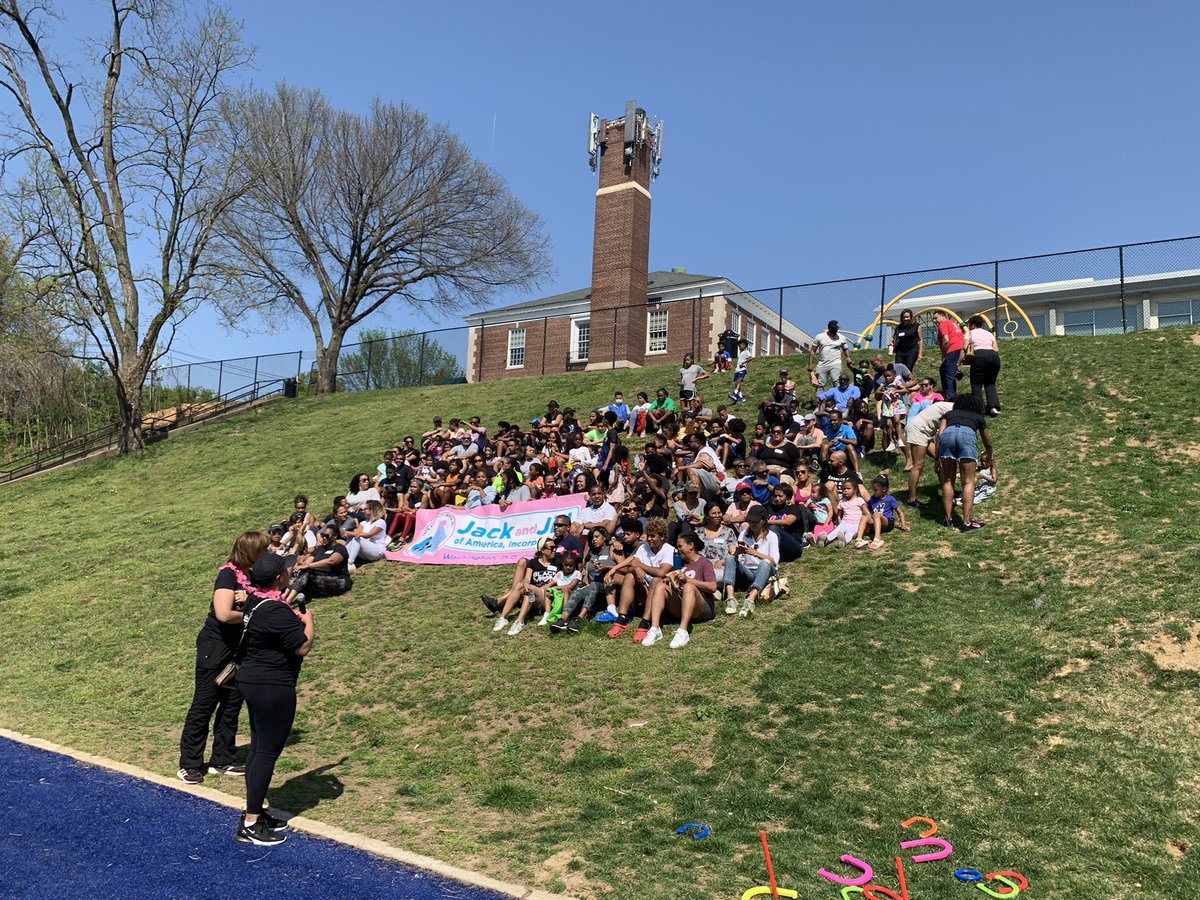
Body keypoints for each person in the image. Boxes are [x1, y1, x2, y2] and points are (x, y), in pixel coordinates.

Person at [232, 553, 314, 846]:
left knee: (258, 749)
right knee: (266, 752)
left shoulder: (255, 603)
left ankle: (254, 813)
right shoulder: (277, 611)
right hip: (272, 685)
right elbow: (302, 647)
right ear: (278, 578)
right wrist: (309, 621)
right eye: (286, 571)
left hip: (253, 681)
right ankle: (252, 822)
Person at [177, 531, 268, 785]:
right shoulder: (228, 575)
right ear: (250, 552)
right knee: (205, 702)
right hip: (215, 646)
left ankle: (222, 759)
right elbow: (224, 614)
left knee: (231, 704)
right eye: (262, 551)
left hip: (239, 647)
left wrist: (251, 602)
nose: (266, 555)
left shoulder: (252, 577)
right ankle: (189, 763)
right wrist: (252, 612)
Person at [603, 516, 674, 641]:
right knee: (630, 576)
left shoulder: (669, 550)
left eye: (653, 536)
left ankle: (645, 623)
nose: (649, 539)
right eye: (648, 536)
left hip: (660, 594)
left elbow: (662, 572)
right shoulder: (644, 548)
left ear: (662, 537)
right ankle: (622, 619)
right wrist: (615, 568)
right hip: (645, 589)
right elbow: (632, 561)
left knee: (656, 580)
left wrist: (640, 566)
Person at [642, 532, 717, 649]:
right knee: (660, 586)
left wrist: (688, 580)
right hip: (682, 603)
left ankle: (683, 631)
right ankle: (655, 628)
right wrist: (669, 580)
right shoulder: (679, 562)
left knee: (689, 587)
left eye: (680, 546)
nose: (678, 549)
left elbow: (712, 587)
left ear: (691, 546)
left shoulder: (704, 563)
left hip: (702, 608)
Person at [936, 394, 994, 531]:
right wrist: (990, 456)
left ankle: (948, 519)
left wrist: (938, 457)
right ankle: (967, 522)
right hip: (966, 436)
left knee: (947, 481)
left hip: (947, 436)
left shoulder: (949, 414)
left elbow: (940, 434)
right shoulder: (978, 417)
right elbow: (987, 441)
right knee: (968, 481)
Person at [723, 505, 779, 617]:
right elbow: (736, 558)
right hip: (748, 571)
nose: (752, 524)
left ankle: (751, 599)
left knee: (765, 562)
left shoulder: (772, 536)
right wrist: (737, 552)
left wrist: (756, 553)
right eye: (750, 521)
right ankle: (730, 597)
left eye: (756, 522)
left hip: (766, 570)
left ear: (763, 521)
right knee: (729, 558)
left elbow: (774, 561)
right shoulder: (744, 534)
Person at [903, 399, 954, 508]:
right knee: (919, 464)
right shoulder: (952, 411)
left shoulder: (949, 407)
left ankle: (946, 491)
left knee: (940, 460)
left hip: (925, 430)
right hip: (918, 430)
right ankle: (911, 499)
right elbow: (941, 434)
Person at [289, 526, 353, 598]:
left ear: (335, 536)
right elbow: (306, 563)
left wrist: (308, 566)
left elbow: (331, 561)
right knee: (294, 575)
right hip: (321, 578)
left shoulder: (340, 548)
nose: (324, 538)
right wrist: (297, 560)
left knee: (308, 573)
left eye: (327, 536)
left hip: (339, 580)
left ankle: (288, 600)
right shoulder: (320, 549)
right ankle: (281, 596)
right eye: (323, 535)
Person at [964, 314, 1002, 416]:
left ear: (972, 325)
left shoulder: (970, 333)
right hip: (994, 357)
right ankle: (994, 407)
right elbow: (996, 349)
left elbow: (965, 346)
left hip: (979, 356)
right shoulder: (989, 334)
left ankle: (979, 410)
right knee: (990, 383)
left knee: (976, 385)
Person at [861, 475, 910, 550]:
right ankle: (859, 538)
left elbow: (900, 512)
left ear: (884, 489)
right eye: (873, 490)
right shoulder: (873, 499)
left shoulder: (890, 499)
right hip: (876, 524)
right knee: (864, 516)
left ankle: (877, 538)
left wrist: (903, 525)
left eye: (876, 490)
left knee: (876, 514)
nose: (874, 492)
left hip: (887, 523)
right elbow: (868, 510)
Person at [343, 499, 388, 571]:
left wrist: (351, 533)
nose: (363, 510)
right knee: (351, 538)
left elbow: (368, 535)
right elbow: (357, 533)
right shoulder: (363, 523)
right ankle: (344, 560)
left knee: (357, 538)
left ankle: (350, 563)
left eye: (366, 508)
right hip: (365, 553)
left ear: (372, 510)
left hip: (377, 551)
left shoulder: (380, 522)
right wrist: (349, 534)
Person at [808, 320, 856, 388]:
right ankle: (819, 397)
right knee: (820, 383)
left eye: (836, 328)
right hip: (823, 363)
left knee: (836, 381)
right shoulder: (819, 337)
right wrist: (810, 364)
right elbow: (812, 351)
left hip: (836, 363)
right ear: (829, 327)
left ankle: (837, 397)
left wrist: (848, 357)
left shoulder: (841, 338)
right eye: (834, 328)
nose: (835, 330)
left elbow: (845, 349)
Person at [933, 310, 965, 401]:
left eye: (936, 318)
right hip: (960, 348)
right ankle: (948, 393)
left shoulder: (943, 324)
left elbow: (946, 339)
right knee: (943, 369)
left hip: (952, 349)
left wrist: (944, 354)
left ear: (943, 316)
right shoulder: (954, 324)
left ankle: (950, 398)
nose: (935, 321)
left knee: (949, 374)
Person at [889, 309, 923, 373]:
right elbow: (894, 337)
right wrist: (891, 342)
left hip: (912, 351)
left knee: (908, 370)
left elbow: (920, 340)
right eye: (904, 317)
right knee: (898, 370)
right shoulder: (899, 327)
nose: (905, 319)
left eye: (907, 317)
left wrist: (920, 354)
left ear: (911, 317)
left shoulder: (916, 326)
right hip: (900, 352)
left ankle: (909, 382)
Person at [729, 338, 751, 404]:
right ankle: (740, 397)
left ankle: (735, 393)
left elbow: (750, 358)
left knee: (739, 381)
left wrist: (743, 363)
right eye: (739, 346)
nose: (739, 346)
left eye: (740, 345)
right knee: (737, 383)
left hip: (742, 369)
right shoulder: (741, 353)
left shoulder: (746, 352)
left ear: (744, 345)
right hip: (737, 370)